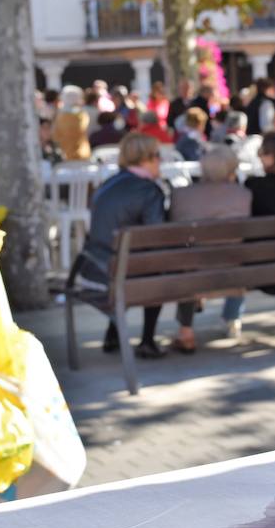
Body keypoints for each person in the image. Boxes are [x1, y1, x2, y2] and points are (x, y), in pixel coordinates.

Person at [78, 132, 167, 359]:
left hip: (93, 267)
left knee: (132, 261)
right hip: (122, 272)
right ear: (146, 158)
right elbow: (156, 237)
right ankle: (147, 339)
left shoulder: (107, 185)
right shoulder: (149, 191)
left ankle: (113, 332)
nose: (161, 161)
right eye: (158, 155)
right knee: (156, 266)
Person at [168, 146, 252, 350]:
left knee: (187, 260)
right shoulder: (244, 195)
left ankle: (186, 331)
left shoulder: (181, 195)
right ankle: (232, 318)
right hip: (233, 271)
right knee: (235, 254)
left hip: (194, 271)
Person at [52, 85, 91, 161]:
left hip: (67, 155)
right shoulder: (82, 115)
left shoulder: (60, 116)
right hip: (80, 154)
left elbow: (55, 136)